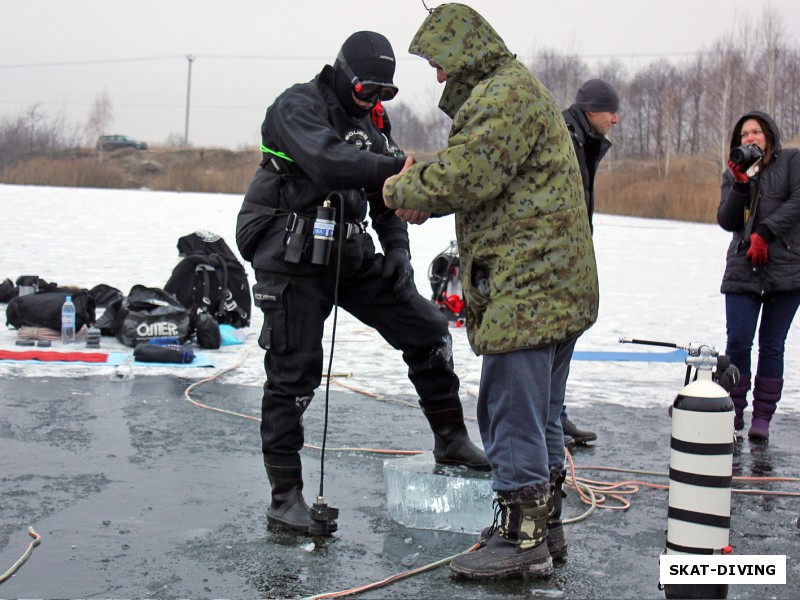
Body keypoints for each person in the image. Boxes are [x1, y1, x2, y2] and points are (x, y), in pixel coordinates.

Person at [235, 30, 490, 536]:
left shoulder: (374, 122)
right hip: (290, 252)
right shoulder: (296, 106)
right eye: (368, 90)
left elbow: (383, 194)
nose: (375, 101)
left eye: (385, 93)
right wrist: (404, 167)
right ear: (344, 75)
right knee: (295, 372)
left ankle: (451, 438)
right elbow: (330, 162)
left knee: (427, 327)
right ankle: (285, 498)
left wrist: (397, 249)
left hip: (346, 250)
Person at [383, 3, 599, 580]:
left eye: (439, 61)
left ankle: (521, 538)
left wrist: (403, 187)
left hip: (529, 289)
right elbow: (482, 177)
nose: (437, 76)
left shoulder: (502, 96)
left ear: (465, 49)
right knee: (542, 415)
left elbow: (469, 172)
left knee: (511, 413)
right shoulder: (510, 91)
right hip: (555, 287)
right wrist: (430, 193)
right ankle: (540, 528)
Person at [717, 110, 800, 441]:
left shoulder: (792, 161)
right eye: (743, 135)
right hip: (742, 267)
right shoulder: (735, 172)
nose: (749, 139)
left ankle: (762, 417)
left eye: (755, 132)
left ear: (769, 135)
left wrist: (765, 232)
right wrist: (739, 184)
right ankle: (733, 412)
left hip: (787, 268)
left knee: (772, 345)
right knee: (737, 342)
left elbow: (798, 202)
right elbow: (726, 220)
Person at [557, 78, 620, 446]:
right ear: (592, 110)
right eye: (611, 112)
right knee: (556, 339)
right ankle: (550, 422)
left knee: (565, 336)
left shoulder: (583, 138)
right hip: (559, 259)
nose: (615, 120)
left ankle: (555, 418)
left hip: (574, 254)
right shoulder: (567, 136)